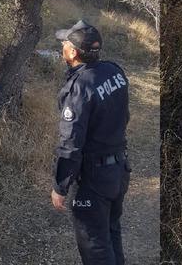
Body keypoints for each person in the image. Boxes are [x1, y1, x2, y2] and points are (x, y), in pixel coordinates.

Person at [50, 19, 131, 265]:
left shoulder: (79, 87)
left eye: (65, 43)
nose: (62, 46)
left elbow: (70, 143)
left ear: (73, 52)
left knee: (95, 247)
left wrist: (60, 186)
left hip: (94, 179)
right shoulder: (115, 71)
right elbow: (124, 115)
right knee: (110, 233)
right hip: (118, 171)